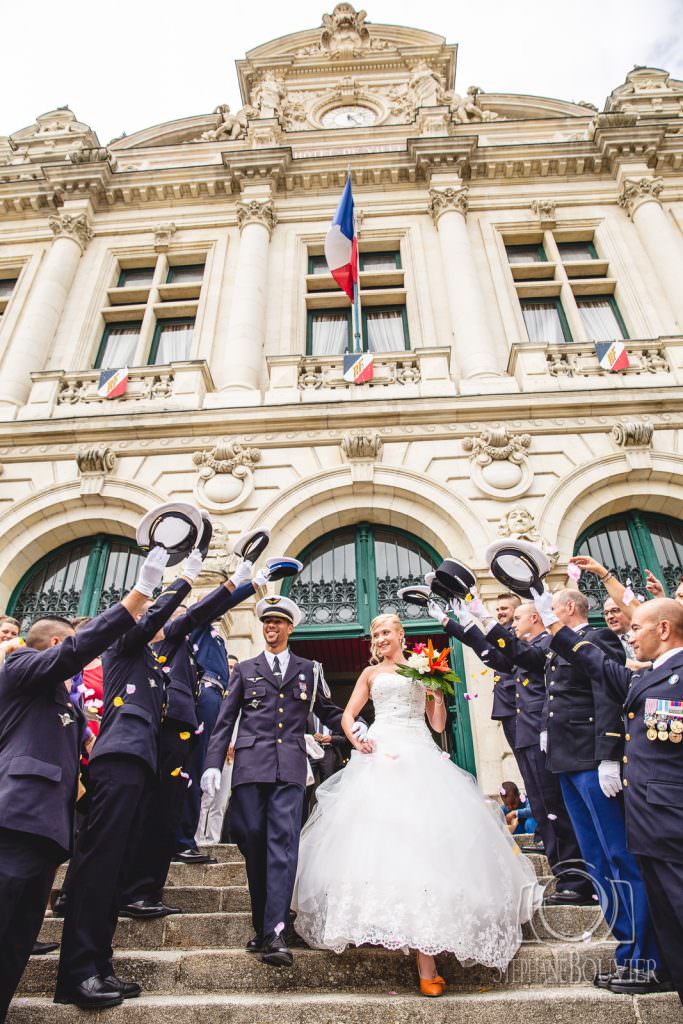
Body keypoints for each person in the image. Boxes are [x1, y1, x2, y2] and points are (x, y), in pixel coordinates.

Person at [292, 612, 542, 998]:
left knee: (427, 842)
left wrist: (437, 694)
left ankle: (428, 950)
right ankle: (392, 929)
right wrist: (356, 739)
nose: (380, 638)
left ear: (401, 635)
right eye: (375, 634)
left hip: (419, 751)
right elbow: (347, 715)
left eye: (386, 632)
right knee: (380, 840)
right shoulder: (369, 675)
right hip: (380, 751)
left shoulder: (424, 668)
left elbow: (438, 725)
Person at [0, 546, 168, 1023]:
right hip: (13, 819)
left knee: (16, 943)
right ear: (55, 647)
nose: (85, 656)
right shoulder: (19, 670)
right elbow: (81, 647)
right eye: (74, 645)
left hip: (48, 832)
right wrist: (139, 595)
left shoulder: (66, 705)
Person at [54, 547, 205, 1009]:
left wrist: (231, 584)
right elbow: (153, 616)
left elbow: (187, 621)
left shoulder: (155, 663)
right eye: (153, 622)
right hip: (117, 762)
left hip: (141, 768)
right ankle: (78, 973)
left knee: (114, 871)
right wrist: (174, 580)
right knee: (99, 867)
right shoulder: (123, 648)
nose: (162, 627)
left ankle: (99, 965)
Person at [200, 595, 365, 968]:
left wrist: (357, 723)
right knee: (252, 840)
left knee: (282, 846)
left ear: (290, 627)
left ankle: (275, 932)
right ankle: (262, 925)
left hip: (289, 768)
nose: (271, 628)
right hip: (249, 769)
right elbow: (225, 720)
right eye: (267, 623)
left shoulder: (309, 669)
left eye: (278, 623)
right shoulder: (244, 669)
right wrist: (212, 763)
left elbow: (327, 709)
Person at [535, 591, 682, 1001]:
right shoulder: (644, 672)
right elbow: (600, 670)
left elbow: (604, 696)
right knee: (602, 862)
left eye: (636, 628)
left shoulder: (670, 671)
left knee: (624, 863)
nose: (628, 635)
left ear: (664, 630)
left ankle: (647, 958)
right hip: (620, 788)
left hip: (650, 799)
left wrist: (608, 755)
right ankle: (635, 954)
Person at [120, 562, 259, 916]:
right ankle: (146, 875)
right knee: (165, 794)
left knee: (179, 791)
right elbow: (205, 609)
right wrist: (243, 584)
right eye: (177, 610)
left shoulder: (193, 637)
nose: (185, 614)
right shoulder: (163, 635)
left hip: (191, 714)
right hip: (169, 718)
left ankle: (153, 880)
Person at [434, 597, 592, 904]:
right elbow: (493, 654)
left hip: (540, 732)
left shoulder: (547, 643)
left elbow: (511, 649)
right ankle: (565, 875)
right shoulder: (527, 648)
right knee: (543, 805)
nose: (513, 624)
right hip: (527, 732)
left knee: (554, 807)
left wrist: (481, 617)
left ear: (534, 618)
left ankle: (574, 879)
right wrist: (453, 623)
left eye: (518, 619)